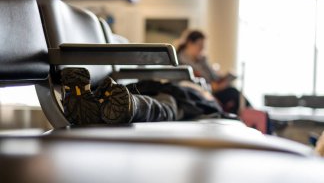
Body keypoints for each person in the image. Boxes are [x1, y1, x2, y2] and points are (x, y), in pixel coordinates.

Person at [60, 67, 224, 126]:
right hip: (170, 95)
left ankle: (97, 105)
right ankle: (129, 105)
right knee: (164, 111)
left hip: (150, 89)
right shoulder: (204, 97)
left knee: (163, 108)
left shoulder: (204, 97)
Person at [176, 29, 251, 115]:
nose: (202, 49)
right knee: (233, 93)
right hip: (199, 91)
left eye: (203, 46)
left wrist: (223, 79)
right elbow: (188, 83)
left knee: (234, 95)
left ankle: (249, 114)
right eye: (200, 45)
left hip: (211, 89)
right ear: (189, 43)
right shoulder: (180, 61)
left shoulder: (202, 60)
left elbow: (214, 77)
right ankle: (250, 114)